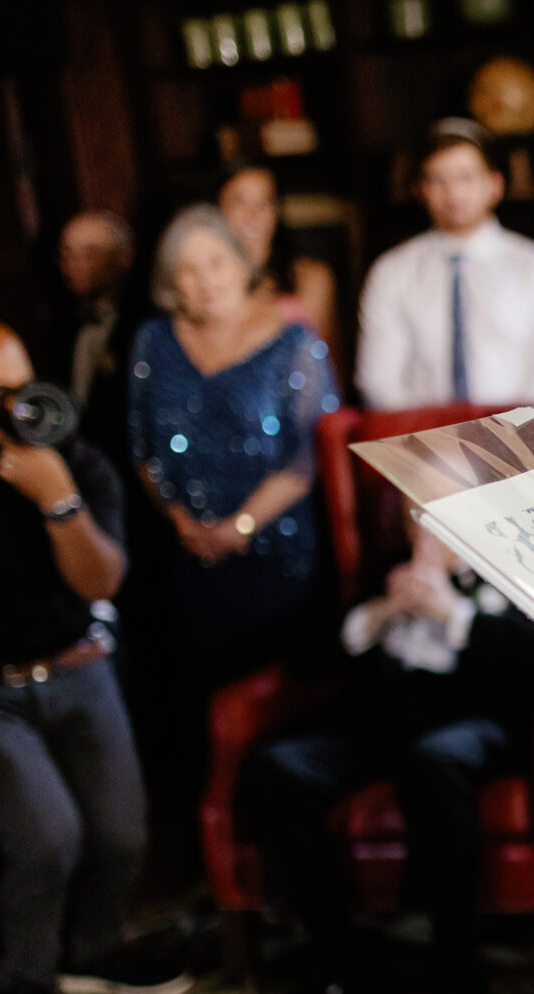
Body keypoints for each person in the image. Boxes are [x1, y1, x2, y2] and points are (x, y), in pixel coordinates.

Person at [0, 316, 187, 994]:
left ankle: (95, 950)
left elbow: (102, 582)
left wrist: (57, 499)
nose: (11, 407)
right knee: (47, 836)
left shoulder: (76, 459)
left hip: (79, 667)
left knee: (122, 833)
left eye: (20, 387)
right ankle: (25, 976)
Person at [239, 518, 534, 994]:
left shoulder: (514, 567)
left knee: (435, 763)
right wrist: (380, 613)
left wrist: (452, 612)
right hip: (378, 720)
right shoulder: (383, 568)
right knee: (278, 768)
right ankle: (334, 959)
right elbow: (307, 658)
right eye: (415, 515)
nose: (424, 527)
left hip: (471, 719)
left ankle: (455, 969)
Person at [126, 204, 335, 672]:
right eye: (189, 269)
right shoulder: (152, 340)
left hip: (276, 552)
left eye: (217, 262)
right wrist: (181, 522)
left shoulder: (294, 342)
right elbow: (141, 444)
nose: (206, 280)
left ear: (242, 265)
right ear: (171, 281)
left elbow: (309, 454)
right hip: (183, 550)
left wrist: (237, 528)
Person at [357, 118, 534, 411]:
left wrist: (506, 431)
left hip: (522, 434)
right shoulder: (391, 271)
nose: (454, 194)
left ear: (494, 184)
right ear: (420, 189)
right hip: (422, 435)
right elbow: (379, 381)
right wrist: (434, 432)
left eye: (466, 178)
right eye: (438, 180)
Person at [46, 211, 142, 469]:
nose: (73, 264)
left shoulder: (144, 326)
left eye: (89, 253)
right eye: (67, 253)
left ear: (123, 257)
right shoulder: (60, 325)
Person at [218, 162, 339, 350]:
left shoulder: (311, 277)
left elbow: (331, 360)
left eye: (264, 203)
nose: (253, 215)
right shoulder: (209, 286)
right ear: (219, 211)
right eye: (240, 202)